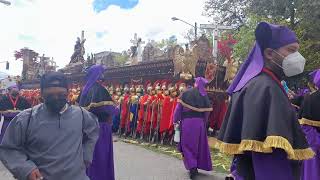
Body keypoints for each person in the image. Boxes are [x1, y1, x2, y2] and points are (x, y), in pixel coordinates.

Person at [216, 22, 314, 180]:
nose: (297, 57)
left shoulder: (262, 83)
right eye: (291, 50)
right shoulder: (266, 88)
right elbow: (269, 159)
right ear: (269, 53)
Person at [0, 72, 99, 180]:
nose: (56, 98)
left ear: (68, 92)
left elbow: (93, 132)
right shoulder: (26, 118)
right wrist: (26, 169)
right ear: (41, 94)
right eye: (50, 95)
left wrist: (86, 156)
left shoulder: (81, 114)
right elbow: (8, 149)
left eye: (61, 94)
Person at [78, 65, 116, 180]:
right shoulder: (100, 89)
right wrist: (116, 109)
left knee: (89, 157)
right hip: (101, 128)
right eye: (101, 74)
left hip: (86, 129)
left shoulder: (85, 91)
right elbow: (110, 109)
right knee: (101, 157)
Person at [173, 77, 213, 179]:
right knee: (198, 145)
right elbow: (207, 113)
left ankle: (192, 167)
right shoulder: (204, 96)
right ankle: (195, 166)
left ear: (195, 83)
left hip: (187, 122)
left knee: (187, 145)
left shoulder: (186, 93)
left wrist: (175, 120)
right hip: (199, 124)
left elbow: (178, 109)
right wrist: (203, 122)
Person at [299, 69, 320, 180]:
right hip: (315, 145)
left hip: (314, 143)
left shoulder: (309, 99)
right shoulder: (311, 99)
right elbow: (305, 125)